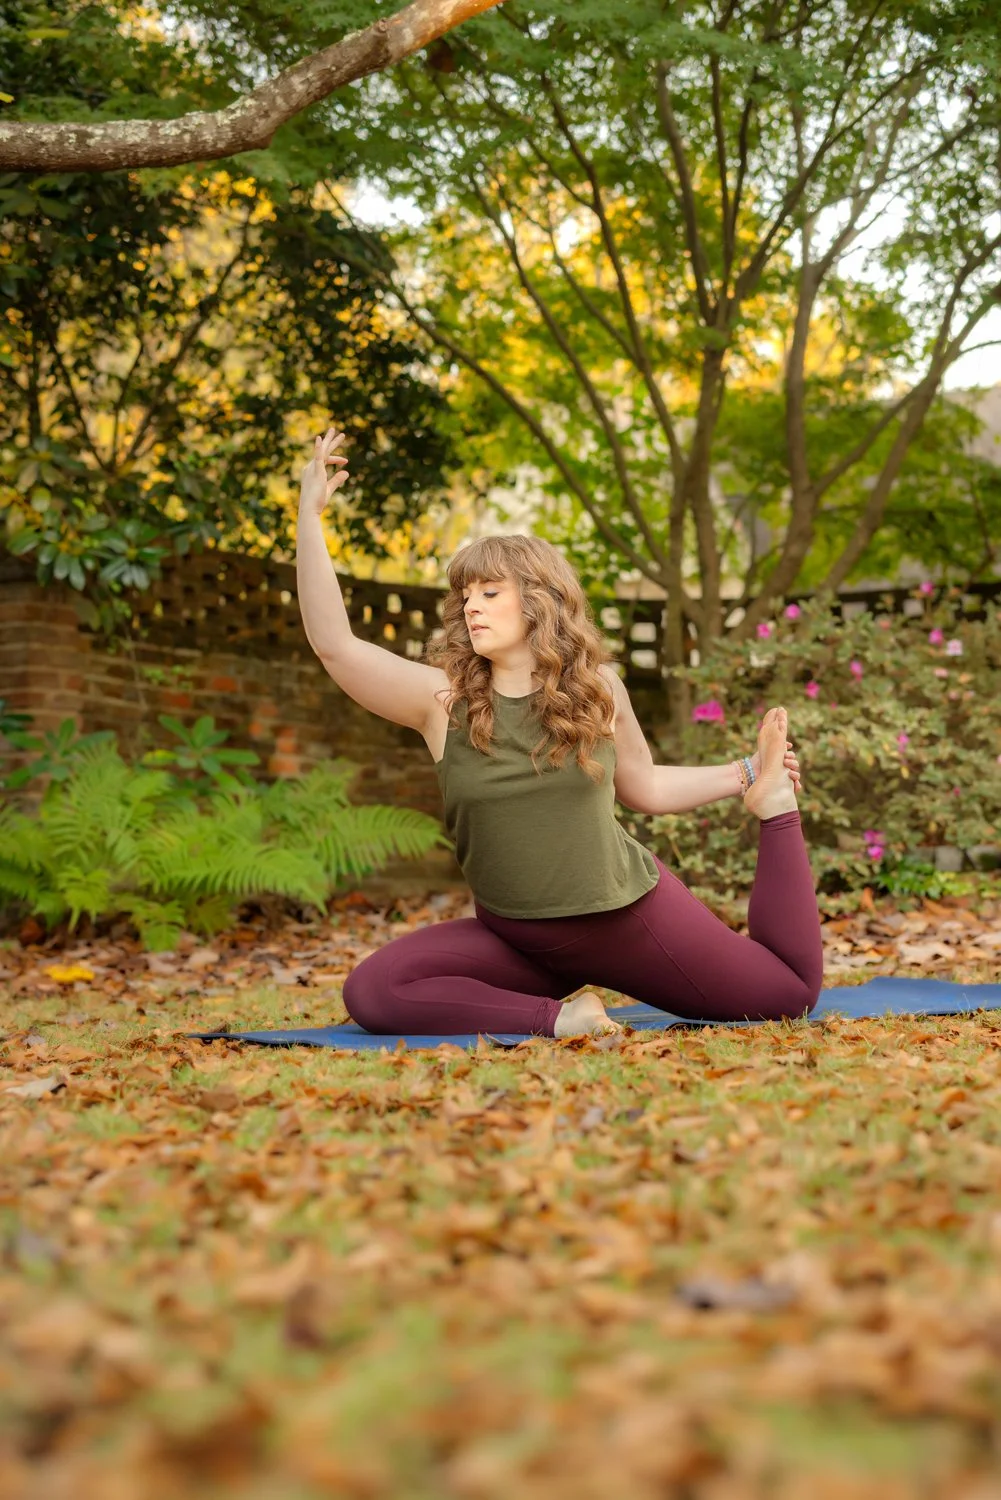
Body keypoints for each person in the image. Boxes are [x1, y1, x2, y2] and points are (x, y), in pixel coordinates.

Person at [296, 426, 825, 1038]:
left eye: (490, 592)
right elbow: (334, 646)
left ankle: (777, 809)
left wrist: (749, 776)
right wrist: (309, 518)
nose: (471, 606)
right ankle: (562, 1018)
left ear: (539, 603)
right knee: (374, 992)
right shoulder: (442, 703)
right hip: (516, 937)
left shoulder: (598, 688)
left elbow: (645, 786)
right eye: (465, 595)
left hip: (623, 920)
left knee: (786, 995)